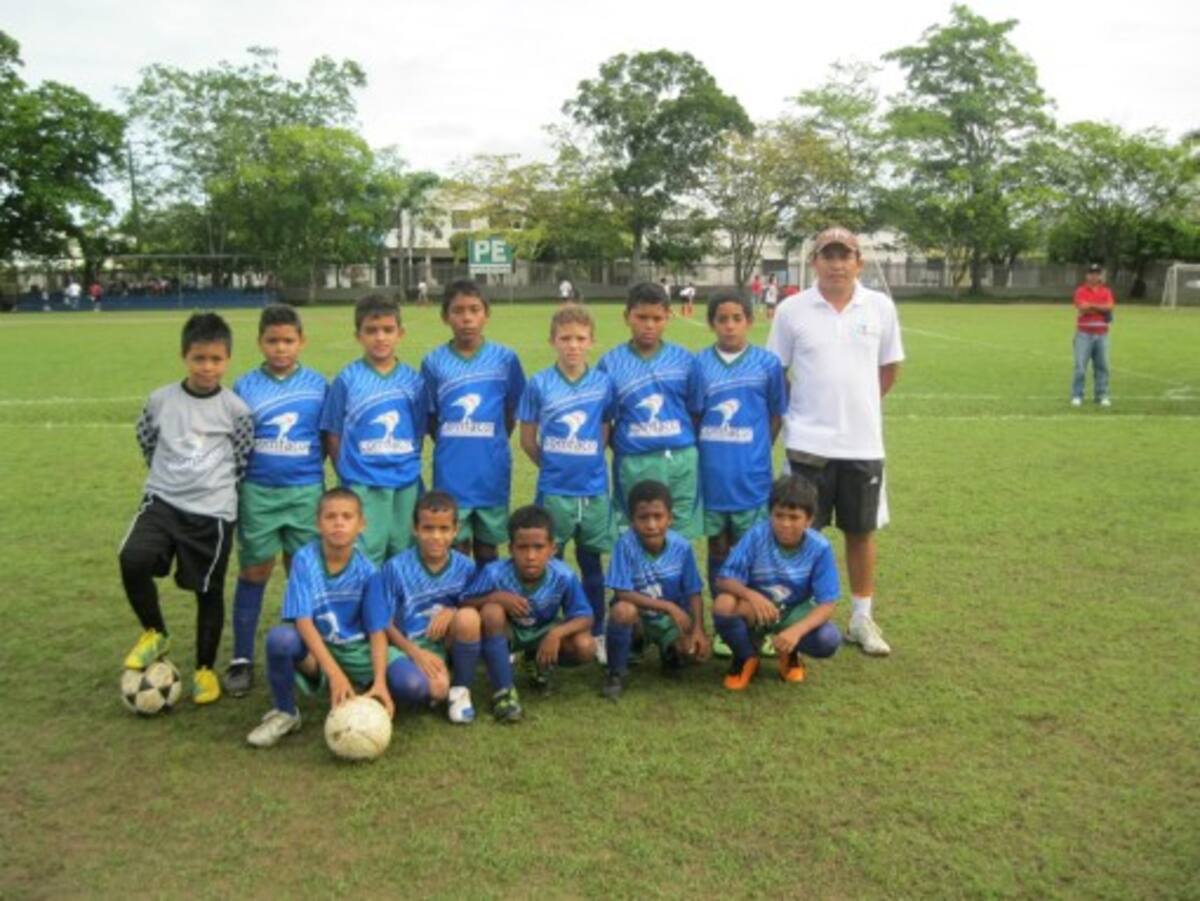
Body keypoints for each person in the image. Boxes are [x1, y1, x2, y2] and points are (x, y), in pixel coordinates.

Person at [766, 226, 903, 657]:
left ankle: (862, 619)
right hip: (807, 443)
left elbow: (888, 369)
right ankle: (794, 614)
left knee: (860, 532)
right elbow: (777, 374)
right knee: (800, 532)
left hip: (863, 445)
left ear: (858, 262)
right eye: (829, 255)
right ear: (815, 262)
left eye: (846, 255)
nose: (837, 263)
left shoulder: (879, 307)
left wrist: (858, 407)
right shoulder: (792, 310)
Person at [117, 313, 254, 704]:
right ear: (184, 357)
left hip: (212, 513)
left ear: (227, 360)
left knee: (207, 591)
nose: (207, 367)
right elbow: (146, 439)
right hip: (163, 501)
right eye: (199, 358)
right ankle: (154, 631)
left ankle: (205, 670)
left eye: (215, 359)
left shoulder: (236, 410)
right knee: (133, 559)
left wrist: (215, 493)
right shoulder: (161, 400)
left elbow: (242, 460)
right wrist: (171, 478)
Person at [246, 489, 404, 748]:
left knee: (412, 685)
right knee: (280, 639)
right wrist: (334, 674)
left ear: (361, 525)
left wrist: (380, 680)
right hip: (318, 650)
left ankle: (366, 688)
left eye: (347, 516)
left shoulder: (369, 571)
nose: (339, 522)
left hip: (356, 650)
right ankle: (286, 713)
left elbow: (377, 631)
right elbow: (303, 621)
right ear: (318, 524)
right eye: (330, 517)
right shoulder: (305, 560)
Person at [226, 304, 328, 696]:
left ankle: (307, 649)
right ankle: (241, 657)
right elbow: (238, 442)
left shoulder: (319, 385)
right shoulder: (245, 387)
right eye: (272, 341)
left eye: (288, 340)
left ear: (301, 341)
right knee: (254, 571)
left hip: (305, 492)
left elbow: (324, 439)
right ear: (260, 343)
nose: (281, 348)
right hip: (258, 492)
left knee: (301, 571)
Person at [517, 304, 615, 659]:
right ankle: (532, 632)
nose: (573, 345)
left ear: (592, 342)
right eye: (565, 339)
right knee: (543, 562)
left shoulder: (604, 383)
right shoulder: (539, 383)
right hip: (554, 491)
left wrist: (583, 461)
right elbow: (528, 439)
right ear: (552, 341)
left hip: (593, 492)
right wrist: (552, 466)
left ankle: (598, 632)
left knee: (591, 563)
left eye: (580, 339)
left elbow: (604, 431)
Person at [694, 292, 786, 656]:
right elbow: (695, 416)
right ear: (712, 323)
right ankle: (722, 626)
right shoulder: (699, 364)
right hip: (713, 475)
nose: (730, 325)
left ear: (750, 320)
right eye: (722, 319)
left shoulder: (768, 363)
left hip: (752, 476)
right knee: (718, 546)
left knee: (751, 551)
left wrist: (757, 449)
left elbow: (776, 415)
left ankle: (756, 623)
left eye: (737, 318)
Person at [421, 279, 526, 568]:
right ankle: (460, 610)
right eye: (458, 311)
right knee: (455, 547)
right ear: (445, 316)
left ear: (486, 314)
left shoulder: (505, 358)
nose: (467, 318)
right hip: (452, 469)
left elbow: (511, 409)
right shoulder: (433, 362)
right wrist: (455, 440)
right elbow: (431, 417)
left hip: (491, 467)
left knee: (488, 548)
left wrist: (492, 438)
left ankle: (488, 607)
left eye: (474, 310)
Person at [460, 505, 595, 722]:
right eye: (523, 548)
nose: (531, 556)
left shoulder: (563, 575)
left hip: (544, 631)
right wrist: (496, 597)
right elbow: (465, 601)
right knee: (492, 611)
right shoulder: (494, 573)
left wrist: (556, 635)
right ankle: (504, 691)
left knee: (586, 646)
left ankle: (536, 661)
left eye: (538, 547)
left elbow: (585, 616)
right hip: (509, 633)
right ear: (511, 549)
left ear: (552, 548)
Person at [320, 294, 427, 565]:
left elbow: (417, 431)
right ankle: (367, 607)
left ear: (400, 333)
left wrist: (407, 464)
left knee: (402, 551)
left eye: (388, 330)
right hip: (363, 482)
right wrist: (347, 472)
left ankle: (397, 607)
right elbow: (333, 433)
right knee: (367, 553)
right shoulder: (347, 379)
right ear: (358, 336)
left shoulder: (413, 380)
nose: (380, 337)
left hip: (405, 481)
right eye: (371, 330)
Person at [711, 475, 843, 690]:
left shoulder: (820, 548)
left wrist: (797, 630)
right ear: (770, 513)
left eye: (794, 517)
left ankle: (789, 652)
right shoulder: (756, 535)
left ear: (809, 520)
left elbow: (827, 603)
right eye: (779, 515)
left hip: (793, 611)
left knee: (828, 639)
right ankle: (746, 657)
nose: (785, 524)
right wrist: (752, 596)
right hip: (757, 610)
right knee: (724, 604)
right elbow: (724, 580)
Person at [598, 281, 703, 538]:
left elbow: (696, 412)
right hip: (634, 462)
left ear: (668, 318)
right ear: (627, 317)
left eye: (657, 318)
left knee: (679, 535)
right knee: (635, 534)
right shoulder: (610, 363)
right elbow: (605, 420)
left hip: (680, 462)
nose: (649, 325)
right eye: (641, 317)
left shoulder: (686, 360)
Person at [369, 491, 482, 723]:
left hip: (444, 642)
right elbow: (383, 622)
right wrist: (415, 652)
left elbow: (474, 606)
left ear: (455, 529)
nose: (436, 537)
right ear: (415, 529)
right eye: (428, 529)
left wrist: (453, 612)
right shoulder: (396, 568)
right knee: (429, 688)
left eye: (443, 529)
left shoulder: (466, 567)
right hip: (407, 644)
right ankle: (403, 679)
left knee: (468, 617)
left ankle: (460, 691)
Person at [602, 480, 708, 700]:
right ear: (632, 521)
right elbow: (622, 592)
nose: (651, 525)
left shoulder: (682, 547)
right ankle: (617, 670)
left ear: (670, 518)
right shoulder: (625, 545)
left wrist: (698, 629)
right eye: (643, 517)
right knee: (623, 610)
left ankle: (671, 652)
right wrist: (667, 606)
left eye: (658, 517)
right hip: (639, 617)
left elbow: (694, 591)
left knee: (695, 655)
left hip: (671, 620)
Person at [1071, 263, 1115, 407]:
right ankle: (1077, 395)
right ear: (1087, 275)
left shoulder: (1106, 291)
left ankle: (1102, 395)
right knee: (1080, 367)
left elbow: (1109, 307)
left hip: (1102, 334)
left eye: (1097, 273)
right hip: (1083, 334)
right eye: (1091, 273)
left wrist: (1091, 306)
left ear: (1100, 275)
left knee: (1102, 366)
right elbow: (1082, 308)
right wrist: (1100, 308)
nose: (1094, 275)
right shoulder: (1080, 290)